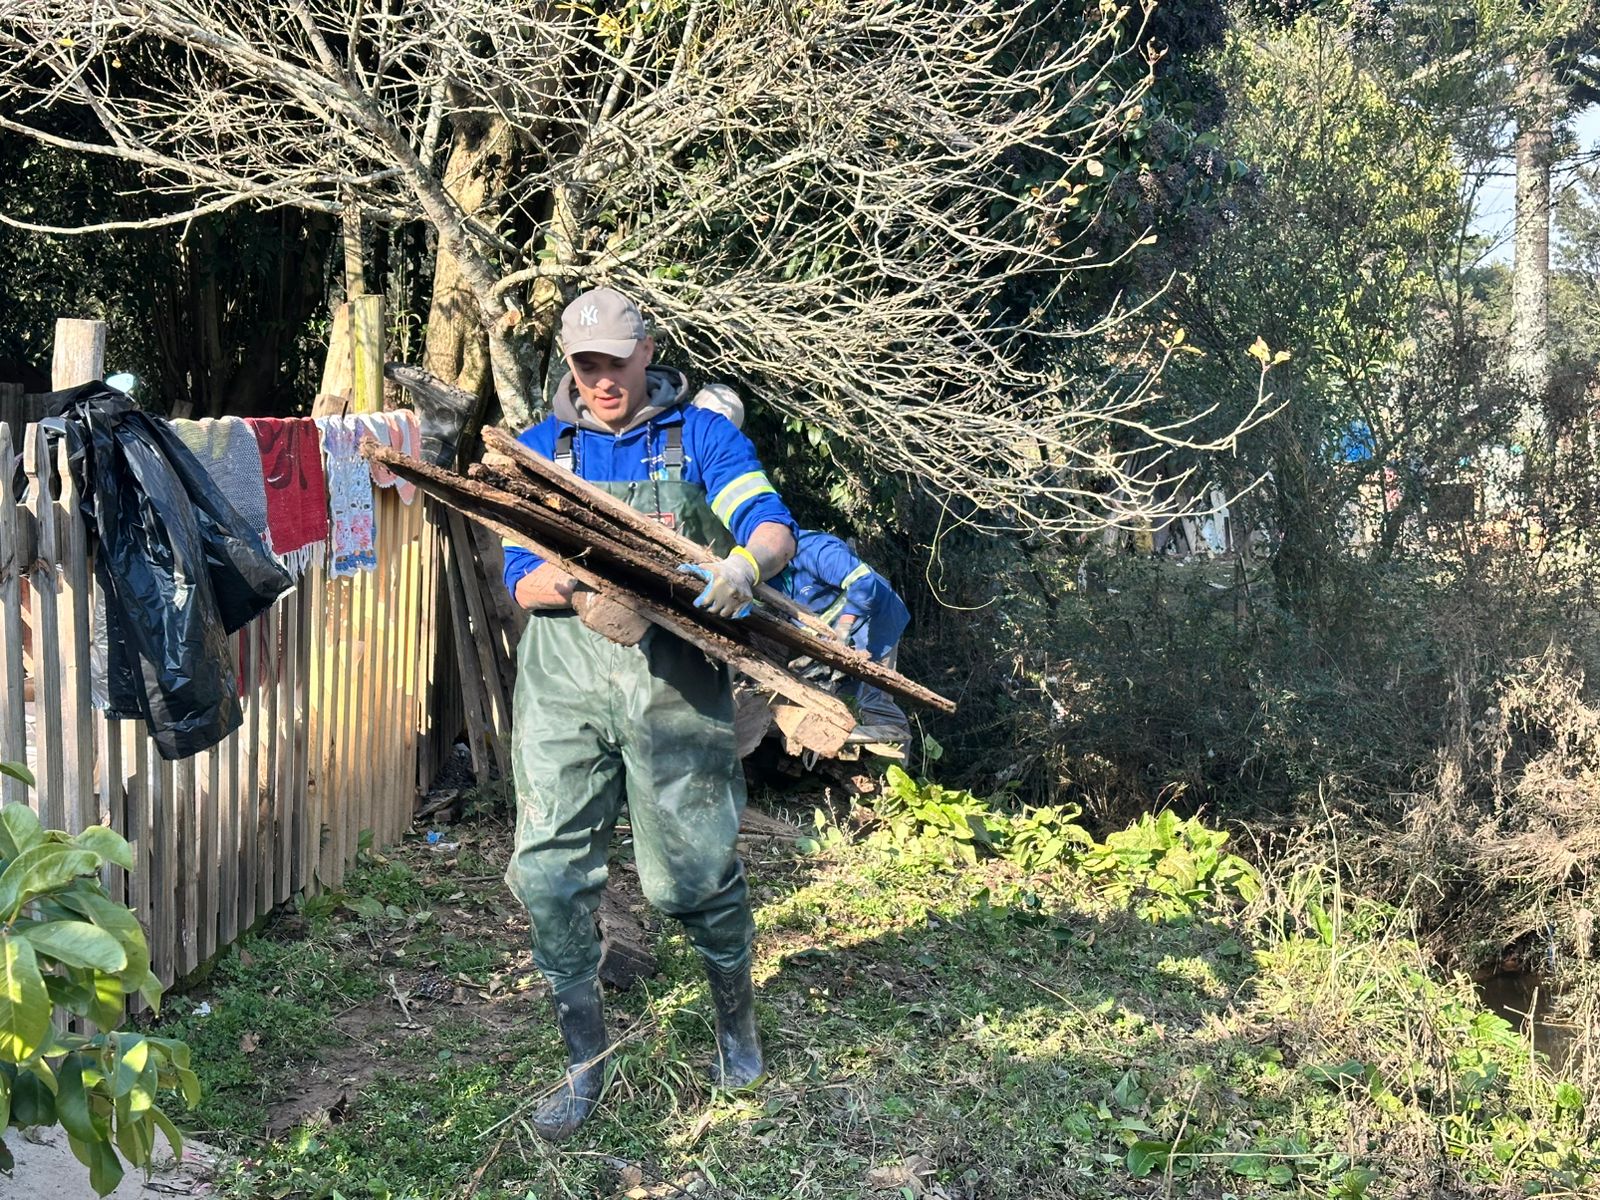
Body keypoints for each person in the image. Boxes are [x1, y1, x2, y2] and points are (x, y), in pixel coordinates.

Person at [501, 287, 797, 1142]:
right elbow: (521, 578)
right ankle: (584, 1066)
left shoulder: (701, 435)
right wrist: (577, 587)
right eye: (584, 364)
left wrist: (743, 567)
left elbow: (771, 524)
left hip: (674, 685)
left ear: (647, 351)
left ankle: (736, 1030)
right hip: (565, 686)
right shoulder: (536, 451)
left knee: (689, 879)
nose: (600, 380)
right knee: (551, 878)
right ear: (567, 362)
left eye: (615, 362)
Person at [691, 386, 912, 746]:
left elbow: (865, 584)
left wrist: (844, 627)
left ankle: (891, 750)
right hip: (821, 625)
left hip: (874, 616)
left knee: (872, 693)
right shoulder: (760, 572)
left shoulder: (814, 550)